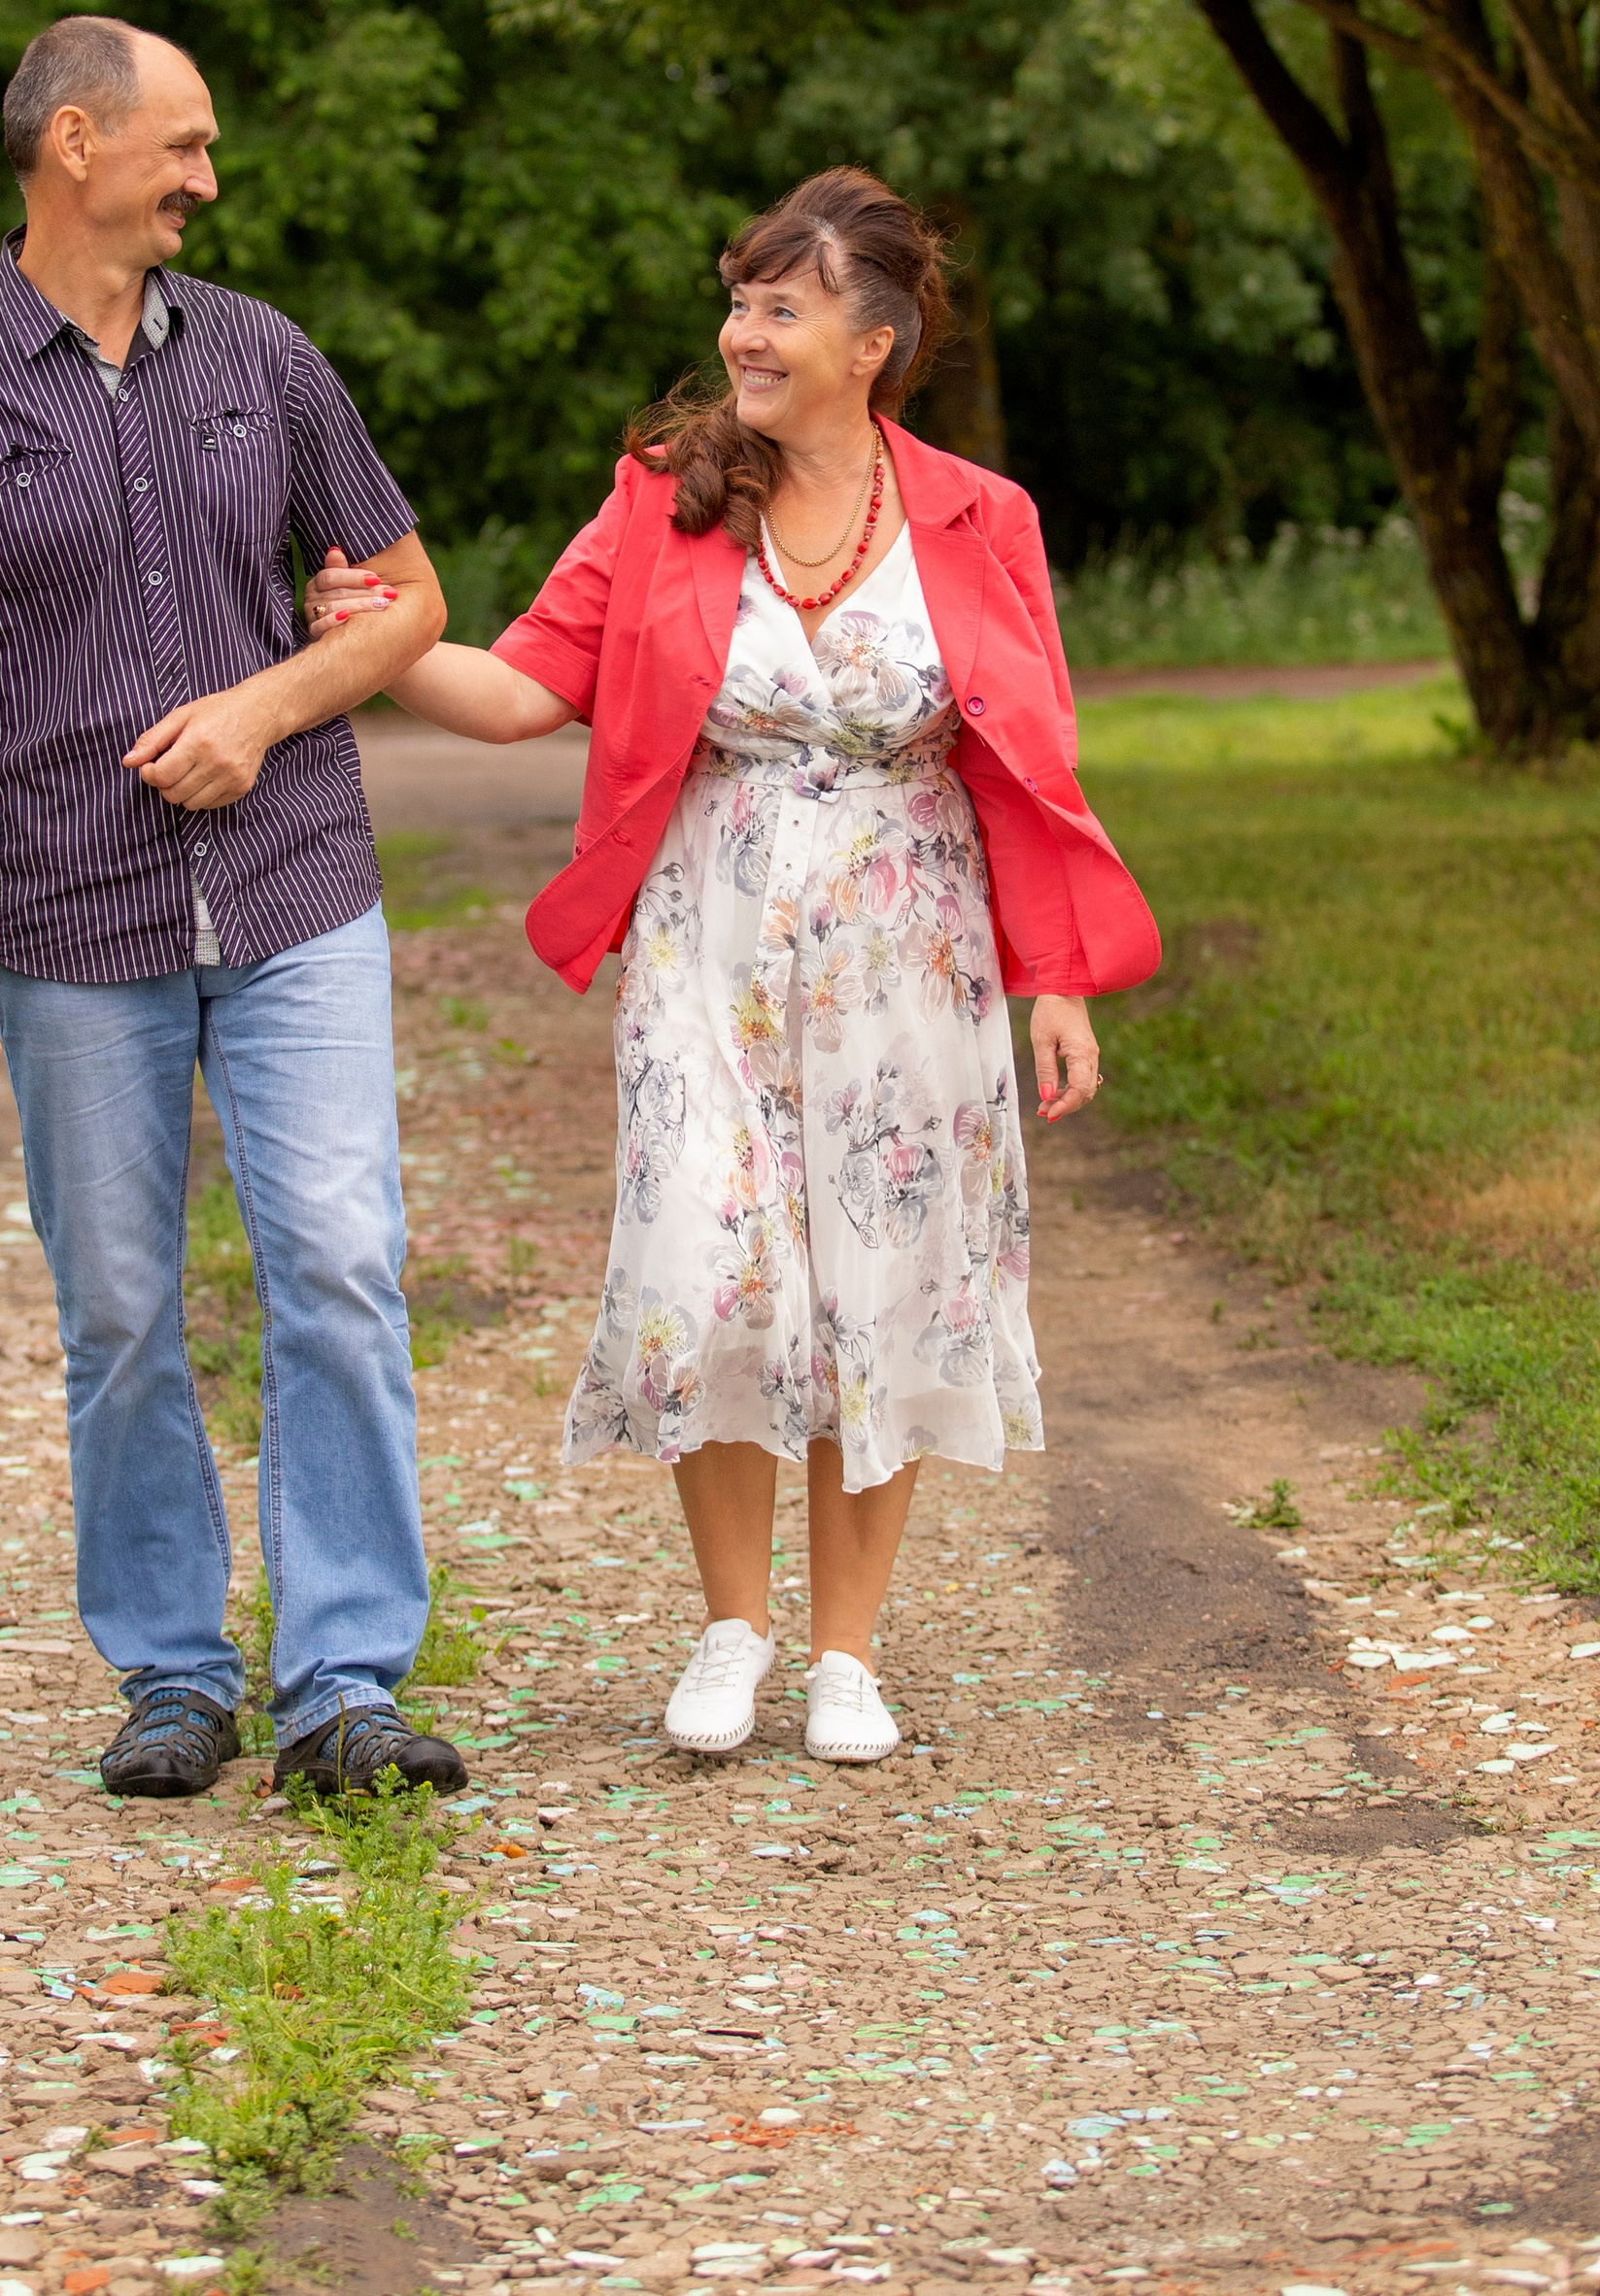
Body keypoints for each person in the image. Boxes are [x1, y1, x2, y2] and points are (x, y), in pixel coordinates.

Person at [307, 168, 1159, 1765]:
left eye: (782, 306)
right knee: (712, 1263)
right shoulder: (668, 494)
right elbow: (518, 691)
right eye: (740, 301)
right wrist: (375, 636)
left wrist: (1060, 977)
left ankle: (847, 1655)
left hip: (915, 950)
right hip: (712, 936)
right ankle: (731, 1628)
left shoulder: (985, 519)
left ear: (876, 340)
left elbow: (1029, 764)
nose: (742, 334)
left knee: (884, 1274)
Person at [0, 11, 468, 1805]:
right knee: (117, 1307)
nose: (207, 176)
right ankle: (175, 1676)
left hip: (291, 891)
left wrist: (266, 709)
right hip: (58, 917)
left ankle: (343, 1680)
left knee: (339, 1268)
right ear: (77, 147)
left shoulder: (265, 361)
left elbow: (410, 601)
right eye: (182, 145)